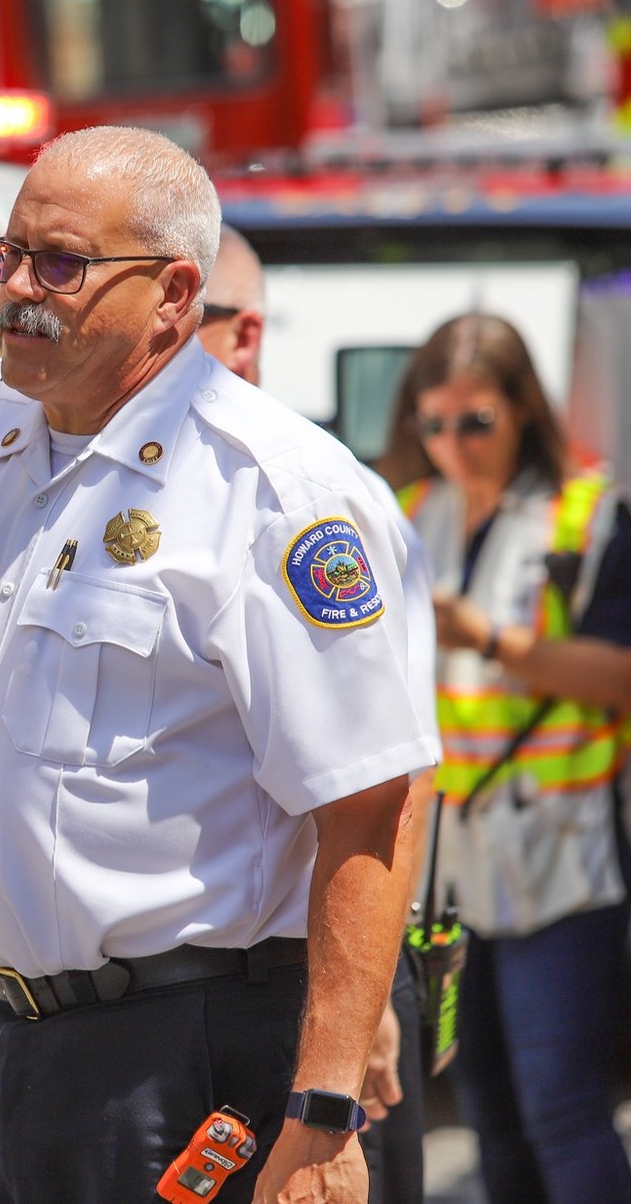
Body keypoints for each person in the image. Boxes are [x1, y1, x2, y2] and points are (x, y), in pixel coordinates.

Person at [0, 125, 438, 1204]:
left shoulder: (270, 490)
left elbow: (368, 806)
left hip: (178, 1057)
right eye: (5, 256)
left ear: (172, 292)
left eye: (61, 264)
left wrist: (323, 1111)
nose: (16, 293)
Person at [376, 314, 631, 1204]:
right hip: (452, 866)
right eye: (435, 424)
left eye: (476, 421)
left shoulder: (589, 515)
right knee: (488, 1108)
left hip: (562, 858)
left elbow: (628, 674)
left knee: (562, 1107)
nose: (454, 444)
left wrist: (491, 638)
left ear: (523, 412)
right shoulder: (410, 512)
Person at [200, 227, 434, 1204]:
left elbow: (390, 773)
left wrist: (364, 1008)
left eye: (182, 316)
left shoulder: (305, 497)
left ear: (240, 334)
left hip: (315, 973)